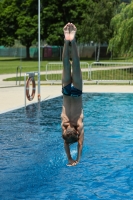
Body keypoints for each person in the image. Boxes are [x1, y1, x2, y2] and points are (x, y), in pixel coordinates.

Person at [61, 22, 84, 166]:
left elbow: (78, 144)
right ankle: (69, 39)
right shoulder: (66, 126)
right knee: (69, 63)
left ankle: (70, 40)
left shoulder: (78, 126)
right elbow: (67, 143)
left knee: (72, 63)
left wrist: (74, 159)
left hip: (75, 93)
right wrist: (71, 158)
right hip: (68, 92)